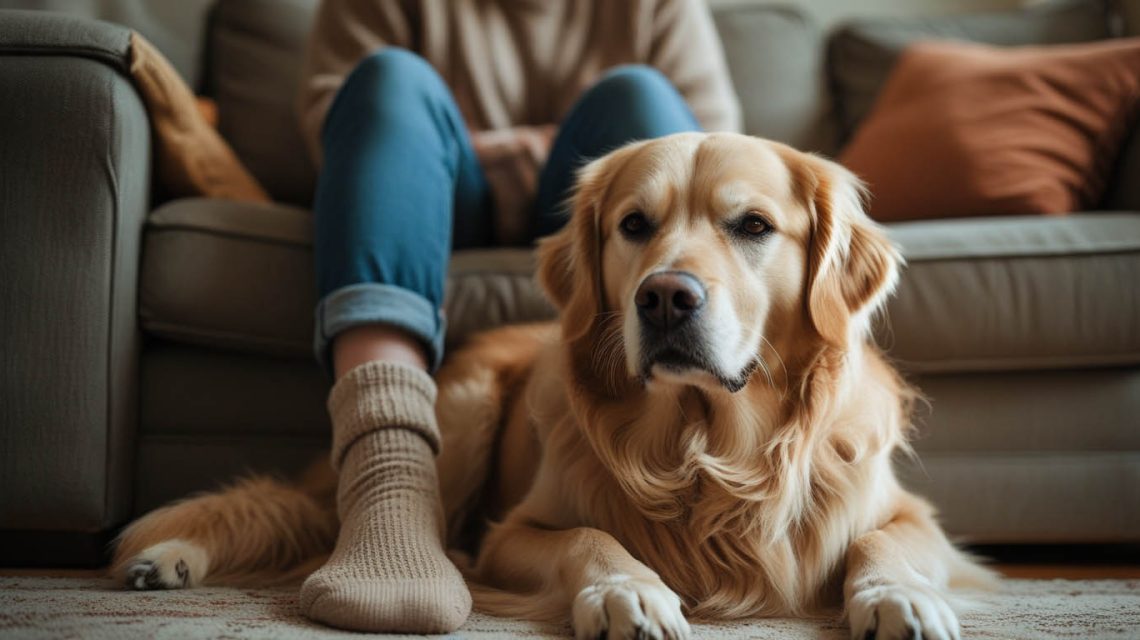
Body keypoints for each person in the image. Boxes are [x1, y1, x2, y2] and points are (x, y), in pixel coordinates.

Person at [296, 0, 741, 633]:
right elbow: (337, 129)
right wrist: (525, 152)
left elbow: (715, 148)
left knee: (639, 96)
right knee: (388, 80)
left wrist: (569, 173)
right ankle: (387, 489)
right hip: (437, 199)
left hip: (618, 224)